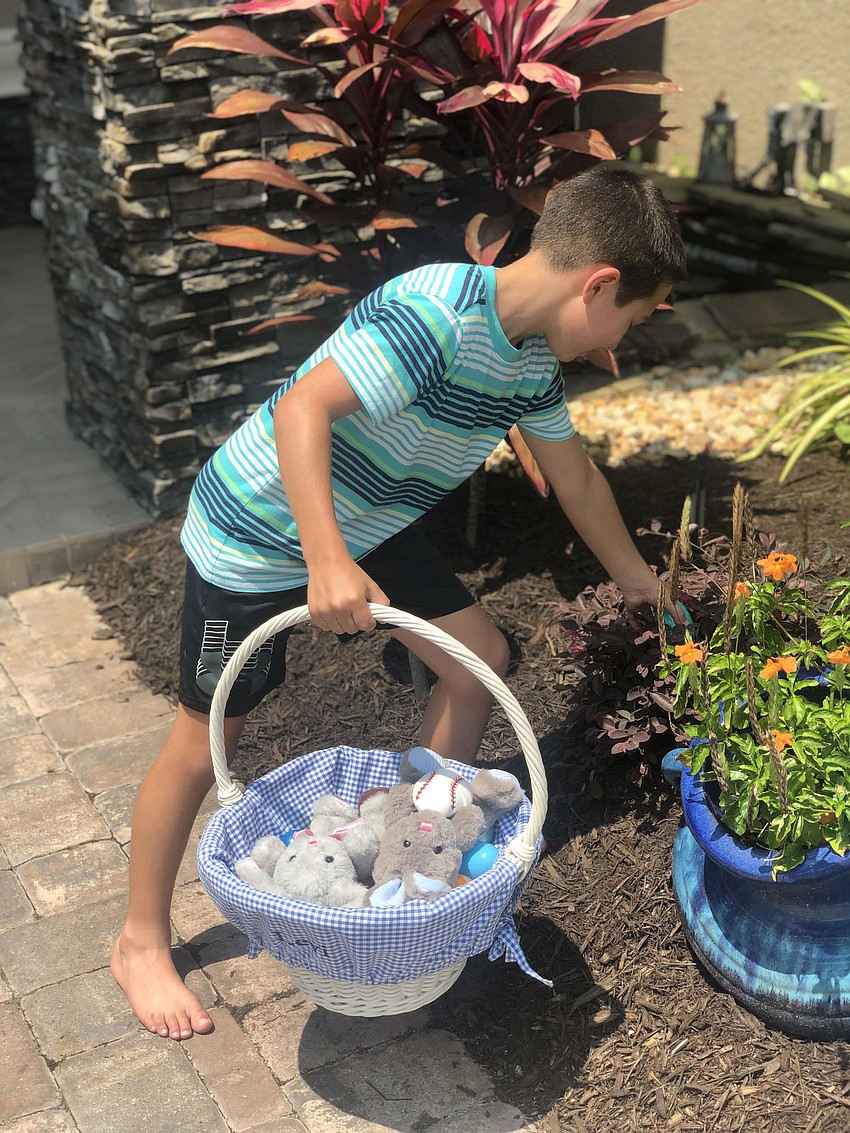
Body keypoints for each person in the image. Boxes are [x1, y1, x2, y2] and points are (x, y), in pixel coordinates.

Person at [112, 163, 687, 1040]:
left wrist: (644, 584)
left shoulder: (530, 365)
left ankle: (399, 861)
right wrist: (327, 559)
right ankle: (140, 939)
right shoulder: (439, 313)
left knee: (475, 664)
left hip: (361, 519)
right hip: (260, 528)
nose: (620, 345)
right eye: (631, 321)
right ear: (598, 283)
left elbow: (575, 479)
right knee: (205, 740)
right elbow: (302, 409)